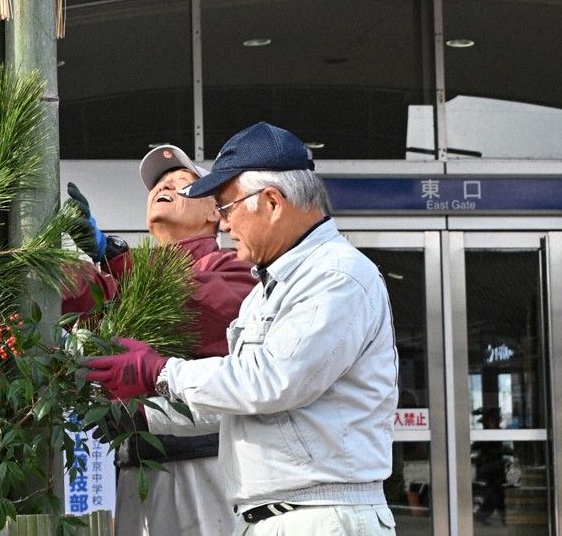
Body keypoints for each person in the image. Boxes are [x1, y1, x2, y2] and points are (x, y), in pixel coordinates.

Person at [82, 122, 399, 535]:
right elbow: (237, 409)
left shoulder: (335, 275)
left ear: (271, 202)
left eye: (228, 207)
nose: (226, 225)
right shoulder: (269, 289)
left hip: (320, 515)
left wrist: (158, 372)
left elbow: (272, 381)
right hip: (271, 516)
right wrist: (144, 411)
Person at [64, 145, 254, 536]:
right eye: (157, 185)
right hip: (135, 468)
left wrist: (114, 254)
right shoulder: (128, 281)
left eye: (181, 183)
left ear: (213, 213)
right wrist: (33, 252)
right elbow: (84, 298)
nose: (163, 186)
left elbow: (194, 301)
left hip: (204, 470)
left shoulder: (234, 268)